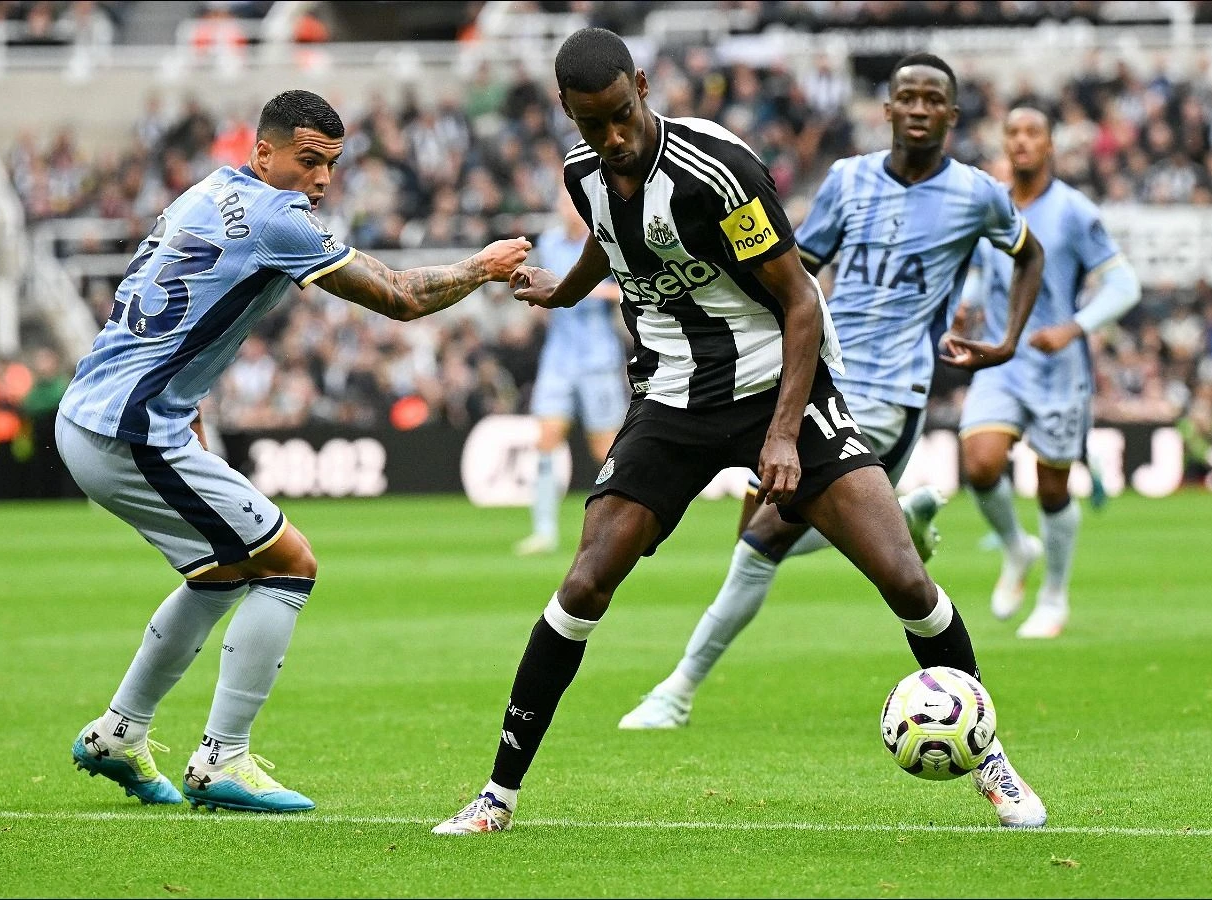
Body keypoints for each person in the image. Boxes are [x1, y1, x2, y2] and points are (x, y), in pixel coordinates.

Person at [432, 29, 1047, 836]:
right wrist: (565, 290)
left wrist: (785, 436)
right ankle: (497, 797)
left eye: (623, 115)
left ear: (643, 86)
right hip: (672, 400)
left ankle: (991, 759)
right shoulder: (586, 172)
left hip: (773, 384)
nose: (612, 137)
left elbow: (799, 304)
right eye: (593, 125)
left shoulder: (717, 172)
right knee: (584, 583)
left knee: (902, 575)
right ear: (568, 114)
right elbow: (612, 238)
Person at [59, 90, 528, 812]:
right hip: (130, 430)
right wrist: (482, 267)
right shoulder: (278, 222)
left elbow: (184, 318)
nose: (320, 180)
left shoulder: (209, 190)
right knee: (290, 564)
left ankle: (120, 731)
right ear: (264, 152)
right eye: (308, 161)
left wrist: (191, 422)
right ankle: (222, 758)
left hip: (100, 416)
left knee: (221, 573)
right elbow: (400, 296)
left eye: (332, 166)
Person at [616, 53, 1046, 731]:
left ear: (952, 115)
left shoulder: (978, 194)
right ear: (887, 109)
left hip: (893, 394)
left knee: (763, 538)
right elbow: (796, 272)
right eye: (907, 96)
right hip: (824, 382)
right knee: (764, 533)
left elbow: (1030, 254)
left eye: (934, 99)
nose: (918, 108)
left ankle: (677, 689)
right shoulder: (848, 181)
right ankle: (904, 524)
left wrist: (1009, 336)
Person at [951, 108, 1141, 639]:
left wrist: (1073, 328)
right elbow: (982, 270)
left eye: (1032, 132)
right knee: (981, 462)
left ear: (1051, 144)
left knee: (1052, 486)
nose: (1021, 141)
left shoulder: (1075, 212)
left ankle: (1054, 596)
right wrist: (967, 306)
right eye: (1012, 132)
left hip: (1057, 366)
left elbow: (1125, 285)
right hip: (999, 359)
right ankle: (1016, 547)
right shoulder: (993, 203)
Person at [515, 188, 628, 556]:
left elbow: (626, 291)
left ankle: (622, 522)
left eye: (574, 206)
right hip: (559, 358)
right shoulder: (548, 242)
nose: (569, 212)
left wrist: (581, 290)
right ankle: (544, 530)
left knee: (605, 448)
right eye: (563, 205)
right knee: (546, 438)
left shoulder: (607, 241)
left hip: (598, 359)